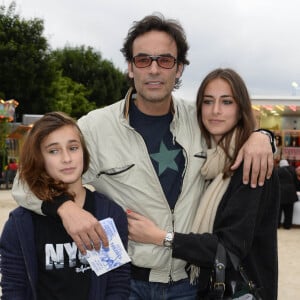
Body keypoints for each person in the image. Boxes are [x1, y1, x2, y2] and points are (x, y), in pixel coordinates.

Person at [12, 14, 275, 299]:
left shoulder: (200, 118)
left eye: (165, 60)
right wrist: (66, 209)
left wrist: (263, 137)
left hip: (194, 283)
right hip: (128, 284)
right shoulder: (95, 127)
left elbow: (237, 130)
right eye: (142, 60)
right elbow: (25, 181)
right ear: (129, 67)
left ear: (179, 69)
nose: (153, 69)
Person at [127, 68, 280, 299]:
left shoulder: (251, 164)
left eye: (227, 102)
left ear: (240, 109)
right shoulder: (210, 161)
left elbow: (228, 249)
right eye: (208, 102)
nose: (216, 111)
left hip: (241, 291)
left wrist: (160, 236)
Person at [0, 112, 130, 299]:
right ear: (39, 158)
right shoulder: (20, 224)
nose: (67, 158)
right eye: (53, 151)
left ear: (83, 152)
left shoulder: (108, 214)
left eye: (73, 147)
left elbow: (117, 285)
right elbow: (14, 290)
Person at [277, 159, 298, 229]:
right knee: (289, 211)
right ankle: (287, 225)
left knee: (278, 211)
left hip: (280, 193)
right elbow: (296, 181)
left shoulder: (277, 171)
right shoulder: (293, 170)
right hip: (290, 193)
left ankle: (277, 225)